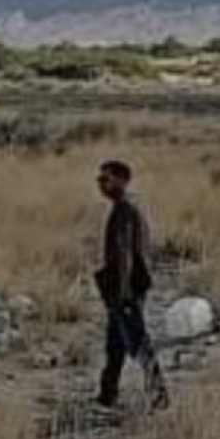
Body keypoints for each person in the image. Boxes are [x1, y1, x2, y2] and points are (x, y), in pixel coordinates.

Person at [94, 160, 169, 410]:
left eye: (106, 179)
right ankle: (107, 394)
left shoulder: (125, 209)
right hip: (124, 285)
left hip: (125, 287)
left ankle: (159, 395)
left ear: (122, 180)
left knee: (137, 341)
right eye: (100, 180)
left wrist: (124, 292)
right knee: (115, 343)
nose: (101, 185)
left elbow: (125, 252)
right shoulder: (126, 207)